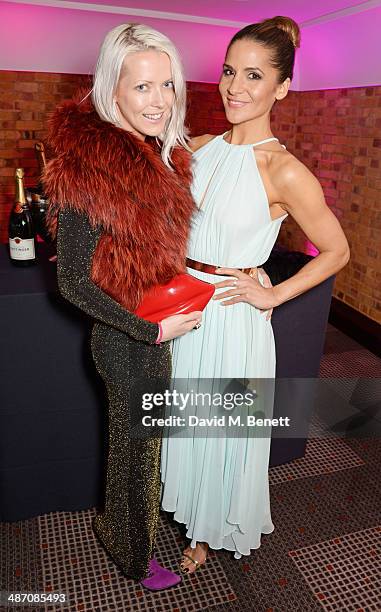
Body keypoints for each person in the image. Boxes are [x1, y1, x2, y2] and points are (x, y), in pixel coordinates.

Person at [160, 16, 350, 573]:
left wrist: (273, 296)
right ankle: (187, 511)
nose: (234, 87)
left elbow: (337, 252)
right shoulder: (199, 147)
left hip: (233, 315)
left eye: (253, 75)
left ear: (281, 87)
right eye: (227, 71)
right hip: (184, 307)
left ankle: (206, 531)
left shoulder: (284, 171)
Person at [43, 23, 202, 589]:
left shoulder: (160, 158)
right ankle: (134, 559)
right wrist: (150, 332)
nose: (159, 100)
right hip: (127, 342)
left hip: (150, 330)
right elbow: (73, 285)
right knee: (135, 458)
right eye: (142, 87)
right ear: (113, 91)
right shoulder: (92, 171)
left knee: (138, 449)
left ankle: (119, 531)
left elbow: (150, 259)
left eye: (168, 84)